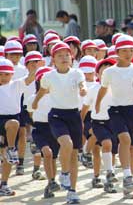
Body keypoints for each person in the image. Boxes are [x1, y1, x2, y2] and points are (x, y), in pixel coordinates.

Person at [95, 34, 133, 199]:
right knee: (125, 139)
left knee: (132, 146)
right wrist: (97, 103)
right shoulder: (109, 72)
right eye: (124, 50)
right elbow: (102, 89)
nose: (129, 53)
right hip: (115, 111)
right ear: (117, 51)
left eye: (131, 50)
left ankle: (128, 182)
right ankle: (128, 176)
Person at [32, 41, 87, 204]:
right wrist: (35, 102)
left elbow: (82, 84)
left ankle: (72, 191)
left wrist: (83, 89)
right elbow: (42, 90)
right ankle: (64, 173)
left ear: (72, 57)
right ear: (53, 59)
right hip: (56, 115)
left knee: (74, 155)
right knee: (66, 143)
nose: (64, 58)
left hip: (74, 116)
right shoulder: (48, 76)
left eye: (67, 55)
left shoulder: (77, 73)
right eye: (59, 55)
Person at [0, 58, 37, 196]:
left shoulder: (16, 85)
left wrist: (34, 70)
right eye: (0, 74)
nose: (3, 77)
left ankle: (4, 184)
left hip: (12, 121)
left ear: (11, 74)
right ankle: (11, 149)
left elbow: (29, 79)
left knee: (8, 158)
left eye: (7, 74)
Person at [84, 58, 118, 193]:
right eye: (102, 73)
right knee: (102, 147)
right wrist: (81, 123)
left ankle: (106, 180)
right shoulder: (93, 89)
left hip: (113, 122)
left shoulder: (117, 88)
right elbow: (85, 107)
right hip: (97, 122)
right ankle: (99, 174)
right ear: (97, 75)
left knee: (112, 152)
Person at [27, 66, 61, 198]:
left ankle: (50, 183)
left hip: (55, 129)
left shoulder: (57, 97)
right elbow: (30, 114)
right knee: (47, 153)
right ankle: (52, 181)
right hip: (40, 130)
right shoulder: (32, 98)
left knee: (53, 158)